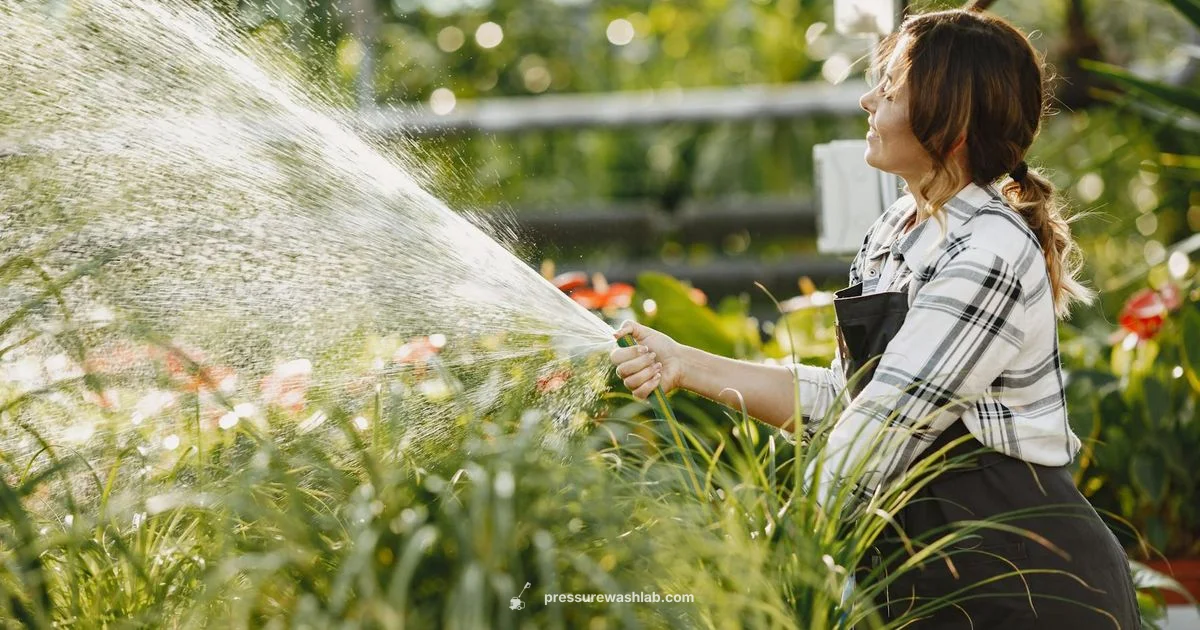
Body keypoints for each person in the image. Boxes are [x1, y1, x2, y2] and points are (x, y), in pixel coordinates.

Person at [610, 7, 1140, 629]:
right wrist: (685, 363)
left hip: (1023, 586)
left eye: (888, 90)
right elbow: (848, 398)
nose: (867, 100)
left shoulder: (988, 254)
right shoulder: (896, 232)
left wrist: (763, 550)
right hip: (928, 575)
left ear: (951, 123)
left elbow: (886, 424)